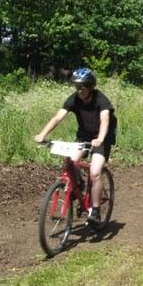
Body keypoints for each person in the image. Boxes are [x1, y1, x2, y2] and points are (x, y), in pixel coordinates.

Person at [34, 68, 117, 225]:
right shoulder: (74, 99)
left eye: (82, 87)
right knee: (71, 161)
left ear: (90, 86)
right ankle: (79, 185)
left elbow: (105, 119)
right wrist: (42, 134)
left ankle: (95, 210)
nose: (79, 90)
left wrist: (100, 138)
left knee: (95, 172)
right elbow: (58, 117)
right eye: (76, 87)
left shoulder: (101, 99)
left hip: (102, 138)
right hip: (84, 137)